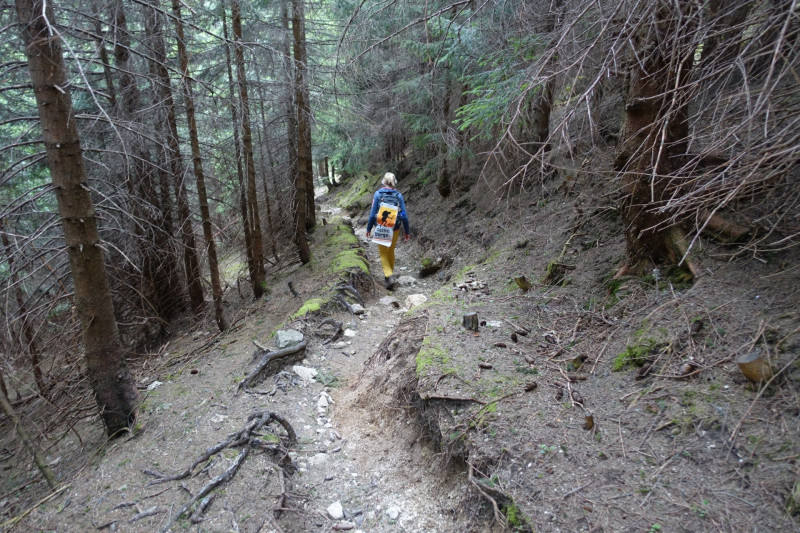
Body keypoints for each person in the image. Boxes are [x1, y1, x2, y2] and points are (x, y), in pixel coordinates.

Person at [366, 172, 410, 290]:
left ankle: (389, 275)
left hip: (381, 227)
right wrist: (407, 231)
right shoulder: (398, 195)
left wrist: (369, 228)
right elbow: (404, 215)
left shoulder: (377, 194)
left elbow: (372, 214)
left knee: (383, 253)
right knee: (390, 251)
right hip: (395, 228)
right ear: (394, 182)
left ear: (383, 182)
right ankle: (389, 275)